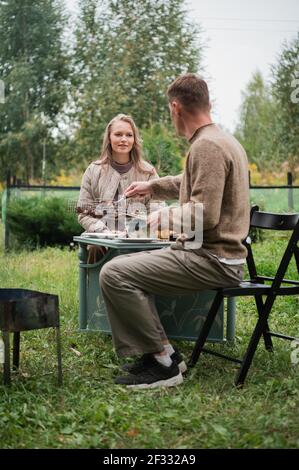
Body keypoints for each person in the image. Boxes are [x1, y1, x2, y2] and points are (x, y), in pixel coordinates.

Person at [100, 73, 250, 389]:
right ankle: (164, 354)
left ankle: (162, 363)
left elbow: (205, 215)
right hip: (218, 255)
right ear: (208, 103)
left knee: (114, 274)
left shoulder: (206, 146)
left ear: (175, 107)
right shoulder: (223, 139)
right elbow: (191, 183)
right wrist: (152, 187)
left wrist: (164, 217)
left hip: (211, 258)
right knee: (130, 269)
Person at [77, 114, 162, 261]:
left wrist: (134, 231)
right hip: (101, 236)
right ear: (109, 138)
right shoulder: (93, 170)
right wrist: (104, 231)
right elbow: (83, 212)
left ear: (134, 140)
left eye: (129, 135)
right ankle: (95, 284)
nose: (124, 139)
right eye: (118, 134)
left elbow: (157, 209)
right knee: (95, 247)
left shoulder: (148, 172)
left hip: (138, 236)